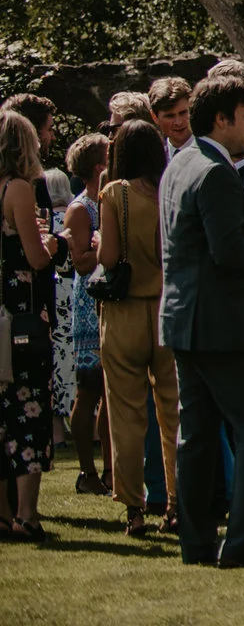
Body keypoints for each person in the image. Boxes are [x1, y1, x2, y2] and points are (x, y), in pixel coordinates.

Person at [159, 66, 244, 569]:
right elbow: (228, 252)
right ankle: (241, 545)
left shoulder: (179, 165)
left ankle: (194, 545)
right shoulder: (214, 173)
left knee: (197, 436)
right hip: (227, 326)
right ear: (221, 120)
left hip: (185, 323)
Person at [95, 120, 179, 539]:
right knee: (173, 414)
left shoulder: (114, 193)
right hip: (167, 309)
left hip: (126, 312)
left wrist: (96, 244)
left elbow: (109, 258)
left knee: (127, 415)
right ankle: (177, 502)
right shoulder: (170, 189)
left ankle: (134, 507)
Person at [0, 108, 61, 539]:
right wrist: (56, 243)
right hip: (19, 312)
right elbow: (37, 258)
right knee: (27, 410)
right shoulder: (18, 188)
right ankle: (26, 515)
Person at [61, 133, 109, 497]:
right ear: (98, 167)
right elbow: (79, 263)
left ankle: (112, 469)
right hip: (88, 307)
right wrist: (107, 246)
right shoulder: (80, 209)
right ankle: (86, 471)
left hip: (111, 302)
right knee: (89, 388)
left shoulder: (110, 201)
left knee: (112, 390)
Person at [147, 77, 193, 150]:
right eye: (170, 116)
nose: (178, 122)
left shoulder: (212, 152)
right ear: (155, 118)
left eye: (183, 113)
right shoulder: (154, 156)